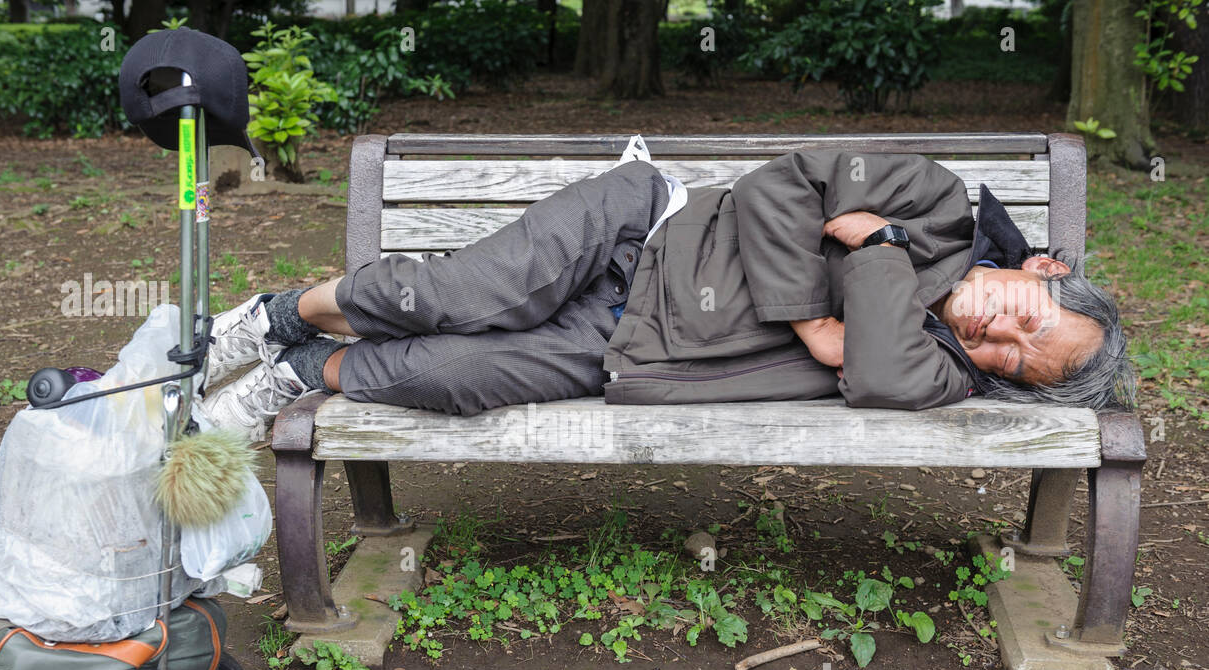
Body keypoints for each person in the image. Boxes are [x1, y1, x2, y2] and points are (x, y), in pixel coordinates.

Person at [197, 147, 1134, 442]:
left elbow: (880, 372)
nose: (999, 337)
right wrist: (816, 317)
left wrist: (873, 247)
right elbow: (780, 187)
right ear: (1043, 270)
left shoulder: (946, 374)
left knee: (456, 375)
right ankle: (273, 316)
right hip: (643, 228)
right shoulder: (931, 200)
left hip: (631, 348)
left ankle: (307, 368)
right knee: (459, 295)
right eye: (1026, 316)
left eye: (1018, 360)